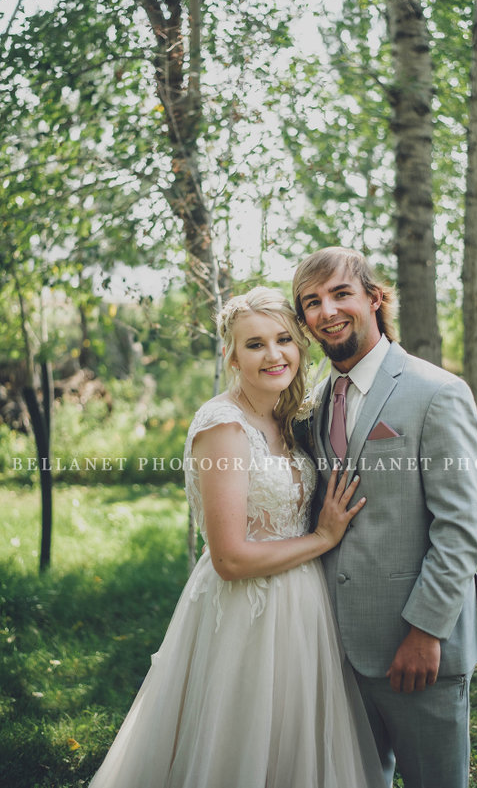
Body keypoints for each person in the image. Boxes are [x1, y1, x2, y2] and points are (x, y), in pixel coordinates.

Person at [88, 286, 387, 788]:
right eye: (255, 344)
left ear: (300, 346)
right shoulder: (223, 426)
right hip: (247, 609)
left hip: (304, 607)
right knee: (242, 742)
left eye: (284, 340)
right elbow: (228, 558)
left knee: (299, 743)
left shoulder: (285, 419)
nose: (274, 355)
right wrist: (323, 538)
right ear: (231, 354)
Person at [292, 247, 477, 788]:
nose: (327, 311)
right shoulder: (312, 404)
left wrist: (426, 630)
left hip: (417, 650)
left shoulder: (437, 392)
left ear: (374, 299)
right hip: (336, 645)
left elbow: (460, 526)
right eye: (311, 302)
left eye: (341, 294)